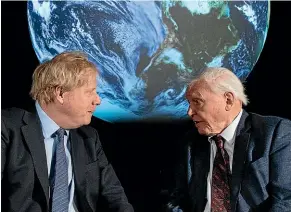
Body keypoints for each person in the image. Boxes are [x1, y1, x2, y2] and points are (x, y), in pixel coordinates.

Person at [1, 52, 134, 212]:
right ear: (61, 94)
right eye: (89, 92)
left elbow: (114, 195)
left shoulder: (89, 138)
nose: (97, 100)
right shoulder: (7, 127)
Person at [164, 67, 291, 212]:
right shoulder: (191, 143)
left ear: (228, 100)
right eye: (189, 103)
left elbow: (286, 200)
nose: (189, 112)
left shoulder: (275, 133)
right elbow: (178, 199)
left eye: (197, 102)